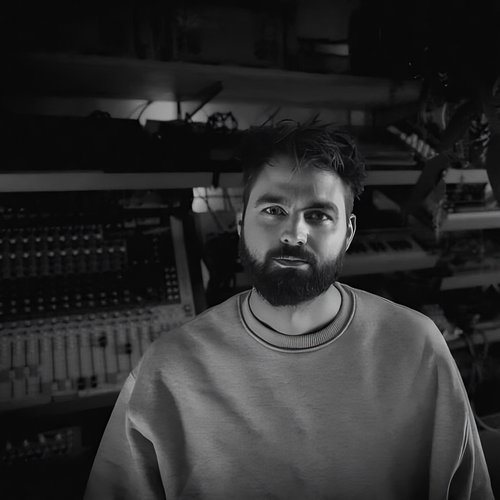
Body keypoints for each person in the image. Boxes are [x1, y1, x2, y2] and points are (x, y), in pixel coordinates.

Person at [84, 120, 493, 499]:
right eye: (273, 210)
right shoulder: (167, 371)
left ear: (348, 234)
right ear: (241, 224)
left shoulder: (418, 348)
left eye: (318, 215)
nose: (294, 233)